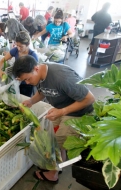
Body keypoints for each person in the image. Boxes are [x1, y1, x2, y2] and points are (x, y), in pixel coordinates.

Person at [12, 55, 95, 183]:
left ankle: (53, 174)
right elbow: (43, 91)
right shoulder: (41, 75)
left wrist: (62, 111)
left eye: (28, 79)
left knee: (57, 140)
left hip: (79, 112)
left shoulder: (62, 78)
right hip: (61, 108)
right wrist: (31, 101)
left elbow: (89, 99)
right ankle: (59, 163)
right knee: (50, 136)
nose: (27, 83)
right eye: (24, 81)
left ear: (36, 68)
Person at [0, 31, 37, 97]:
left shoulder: (33, 56)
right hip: (17, 81)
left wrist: (23, 79)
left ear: (28, 44)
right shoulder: (15, 50)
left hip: (27, 84)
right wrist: (0, 70)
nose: (19, 48)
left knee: (24, 99)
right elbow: (2, 61)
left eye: (21, 46)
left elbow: (34, 74)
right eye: (17, 45)